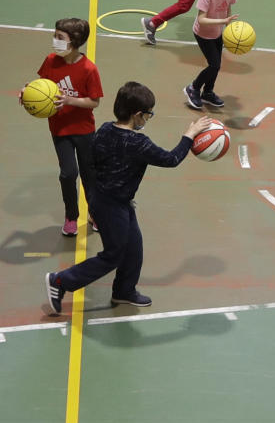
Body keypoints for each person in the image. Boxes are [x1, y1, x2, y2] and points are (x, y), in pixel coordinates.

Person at [44, 82, 211, 315]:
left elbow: (92, 162)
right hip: (111, 205)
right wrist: (189, 135)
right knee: (113, 255)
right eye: (148, 114)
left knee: (134, 248)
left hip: (109, 199)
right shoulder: (138, 143)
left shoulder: (103, 129)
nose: (147, 118)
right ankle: (61, 281)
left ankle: (124, 290)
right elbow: (171, 159)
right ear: (138, 115)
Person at [20, 19, 103, 237]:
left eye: (60, 37)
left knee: (89, 175)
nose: (55, 41)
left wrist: (68, 100)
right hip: (60, 130)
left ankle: (95, 213)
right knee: (68, 174)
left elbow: (94, 102)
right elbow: (40, 86)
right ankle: (71, 216)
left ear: (74, 42)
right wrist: (27, 92)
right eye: (55, 36)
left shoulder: (88, 69)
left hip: (84, 130)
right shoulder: (50, 61)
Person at [184, 0, 240, 110]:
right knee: (214, 65)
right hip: (203, 34)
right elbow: (201, 20)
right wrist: (223, 21)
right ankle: (193, 88)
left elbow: (228, 7)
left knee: (217, 65)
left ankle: (207, 92)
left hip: (218, 32)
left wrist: (228, 26)